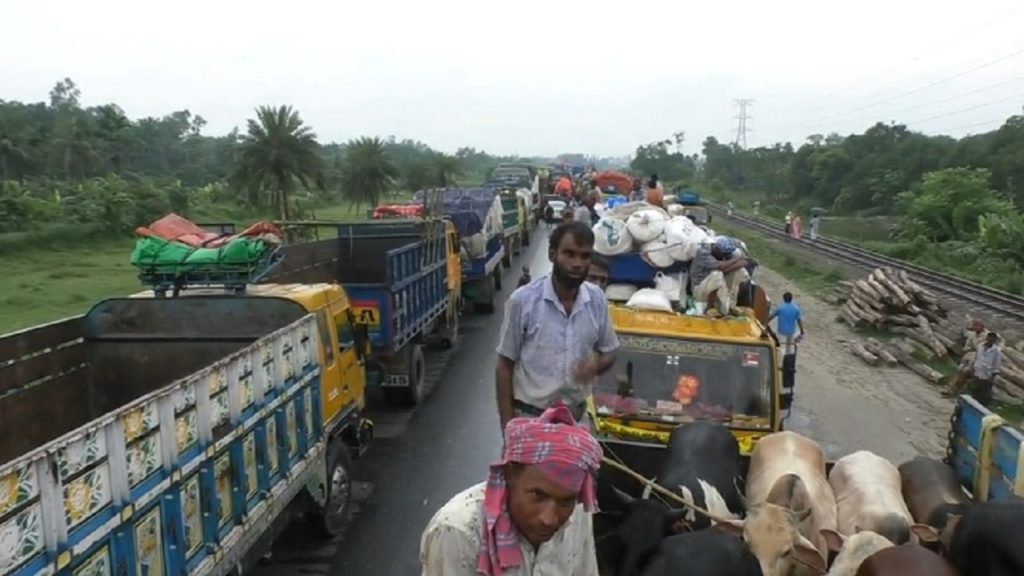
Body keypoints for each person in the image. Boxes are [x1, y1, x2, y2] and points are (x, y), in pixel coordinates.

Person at [419, 405, 602, 576]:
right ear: (510, 475)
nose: (549, 519)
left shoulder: (577, 512)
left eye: (565, 502)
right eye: (538, 496)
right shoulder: (458, 533)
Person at [495, 222, 619, 428]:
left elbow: (611, 351)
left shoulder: (596, 299)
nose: (577, 263)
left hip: (576, 423)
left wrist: (595, 366)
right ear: (552, 255)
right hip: (530, 421)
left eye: (584, 256)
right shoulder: (523, 301)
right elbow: (504, 367)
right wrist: (508, 431)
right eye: (569, 254)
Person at [688, 236, 751, 316]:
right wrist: (738, 260)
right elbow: (721, 267)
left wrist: (741, 262)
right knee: (717, 274)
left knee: (740, 272)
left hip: (716, 285)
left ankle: (731, 305)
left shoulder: (725, 253)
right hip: (699, 287)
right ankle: (708, 308)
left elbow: (729, 268)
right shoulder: (703, 253)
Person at [943, 320, 997, 397]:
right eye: (974, 327)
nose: (975, 328)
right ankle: (951, 389)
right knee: (960, 369)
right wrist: (968, 349)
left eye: (977, 326)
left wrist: (976, 350)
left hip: (980, 359)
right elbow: (966, 347)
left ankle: (952, 389)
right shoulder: (972, 335)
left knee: (965, 371)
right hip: (969, 356)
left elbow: (985, 349)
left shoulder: (987, 335)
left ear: (982, 326)